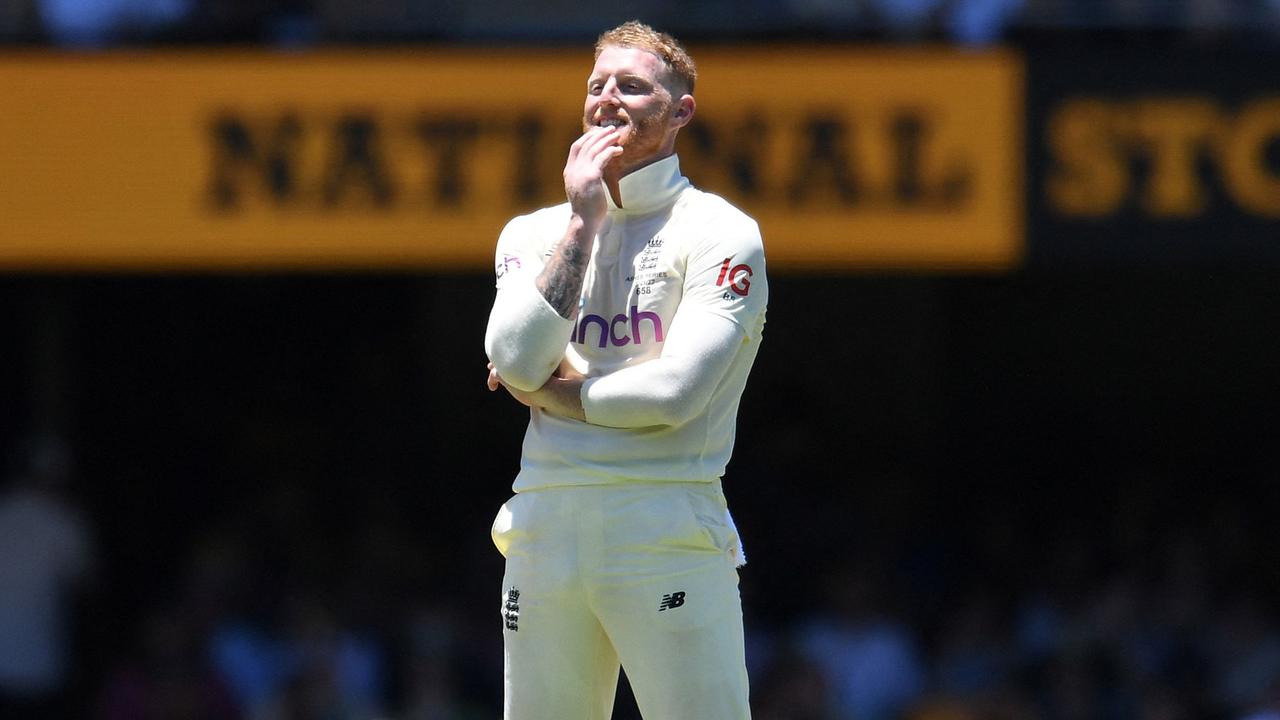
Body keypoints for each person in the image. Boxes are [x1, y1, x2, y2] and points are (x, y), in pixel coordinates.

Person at [483, 19, 768, 720]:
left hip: (665, 522)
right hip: (543, 528)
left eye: (633, 86)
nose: (608, 98)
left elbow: (674, 393)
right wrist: (583, 222)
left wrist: (553, 395)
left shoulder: (720, 231)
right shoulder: (533, 232)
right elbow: (512, 357)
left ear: (681, 113)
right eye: (598, 85)